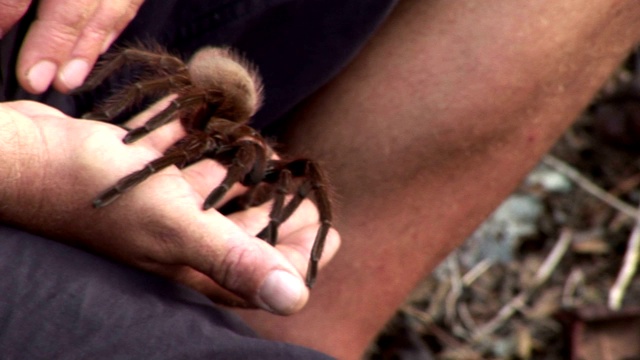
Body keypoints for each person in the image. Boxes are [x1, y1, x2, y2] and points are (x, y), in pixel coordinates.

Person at [1, 0, 639, 359]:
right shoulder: (189, 107)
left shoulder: (245, 146)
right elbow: (161, 86)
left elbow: (294, 179)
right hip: (36, 133)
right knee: (160, 79)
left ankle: (295, 317)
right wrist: (25, 165)